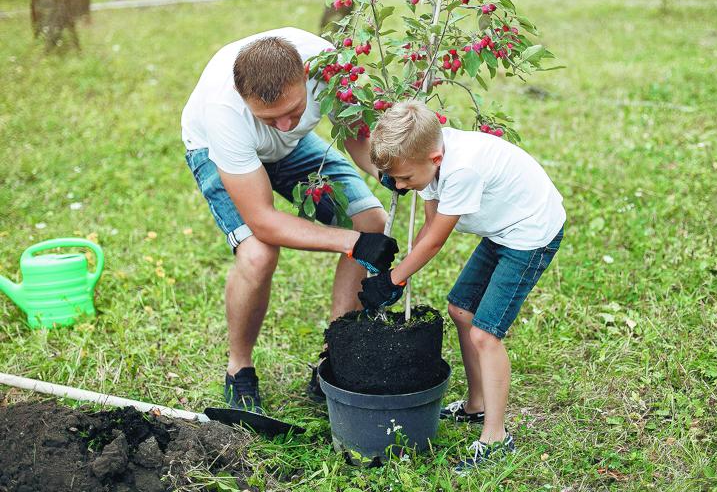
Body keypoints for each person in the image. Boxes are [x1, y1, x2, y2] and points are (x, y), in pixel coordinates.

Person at [181, 27, 398, 411]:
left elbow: (354, 133)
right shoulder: (223, 114)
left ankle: (335, 354)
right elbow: (263, 221)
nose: (284, 125)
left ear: (305, 77)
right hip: (222, 153)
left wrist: (388, 173)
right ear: (243, 98)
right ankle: (239, 369)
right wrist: (350, 243)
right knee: (258, 254)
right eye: (269, 117)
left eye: (293, 113)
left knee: (371, 221)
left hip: (293, 152)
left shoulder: (328, 65)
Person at [359, 101, 565, 473]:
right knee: (461, 310)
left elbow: (437, 239)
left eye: (405, 178)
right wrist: (398, 270)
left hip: (530, 233)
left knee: (486, 335)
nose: (400, 186)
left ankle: (496, 438)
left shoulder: (462, 169)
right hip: (502, 230)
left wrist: (393, 279)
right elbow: (428, 225)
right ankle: (476, 404)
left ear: (435, 159)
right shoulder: (426, 159)